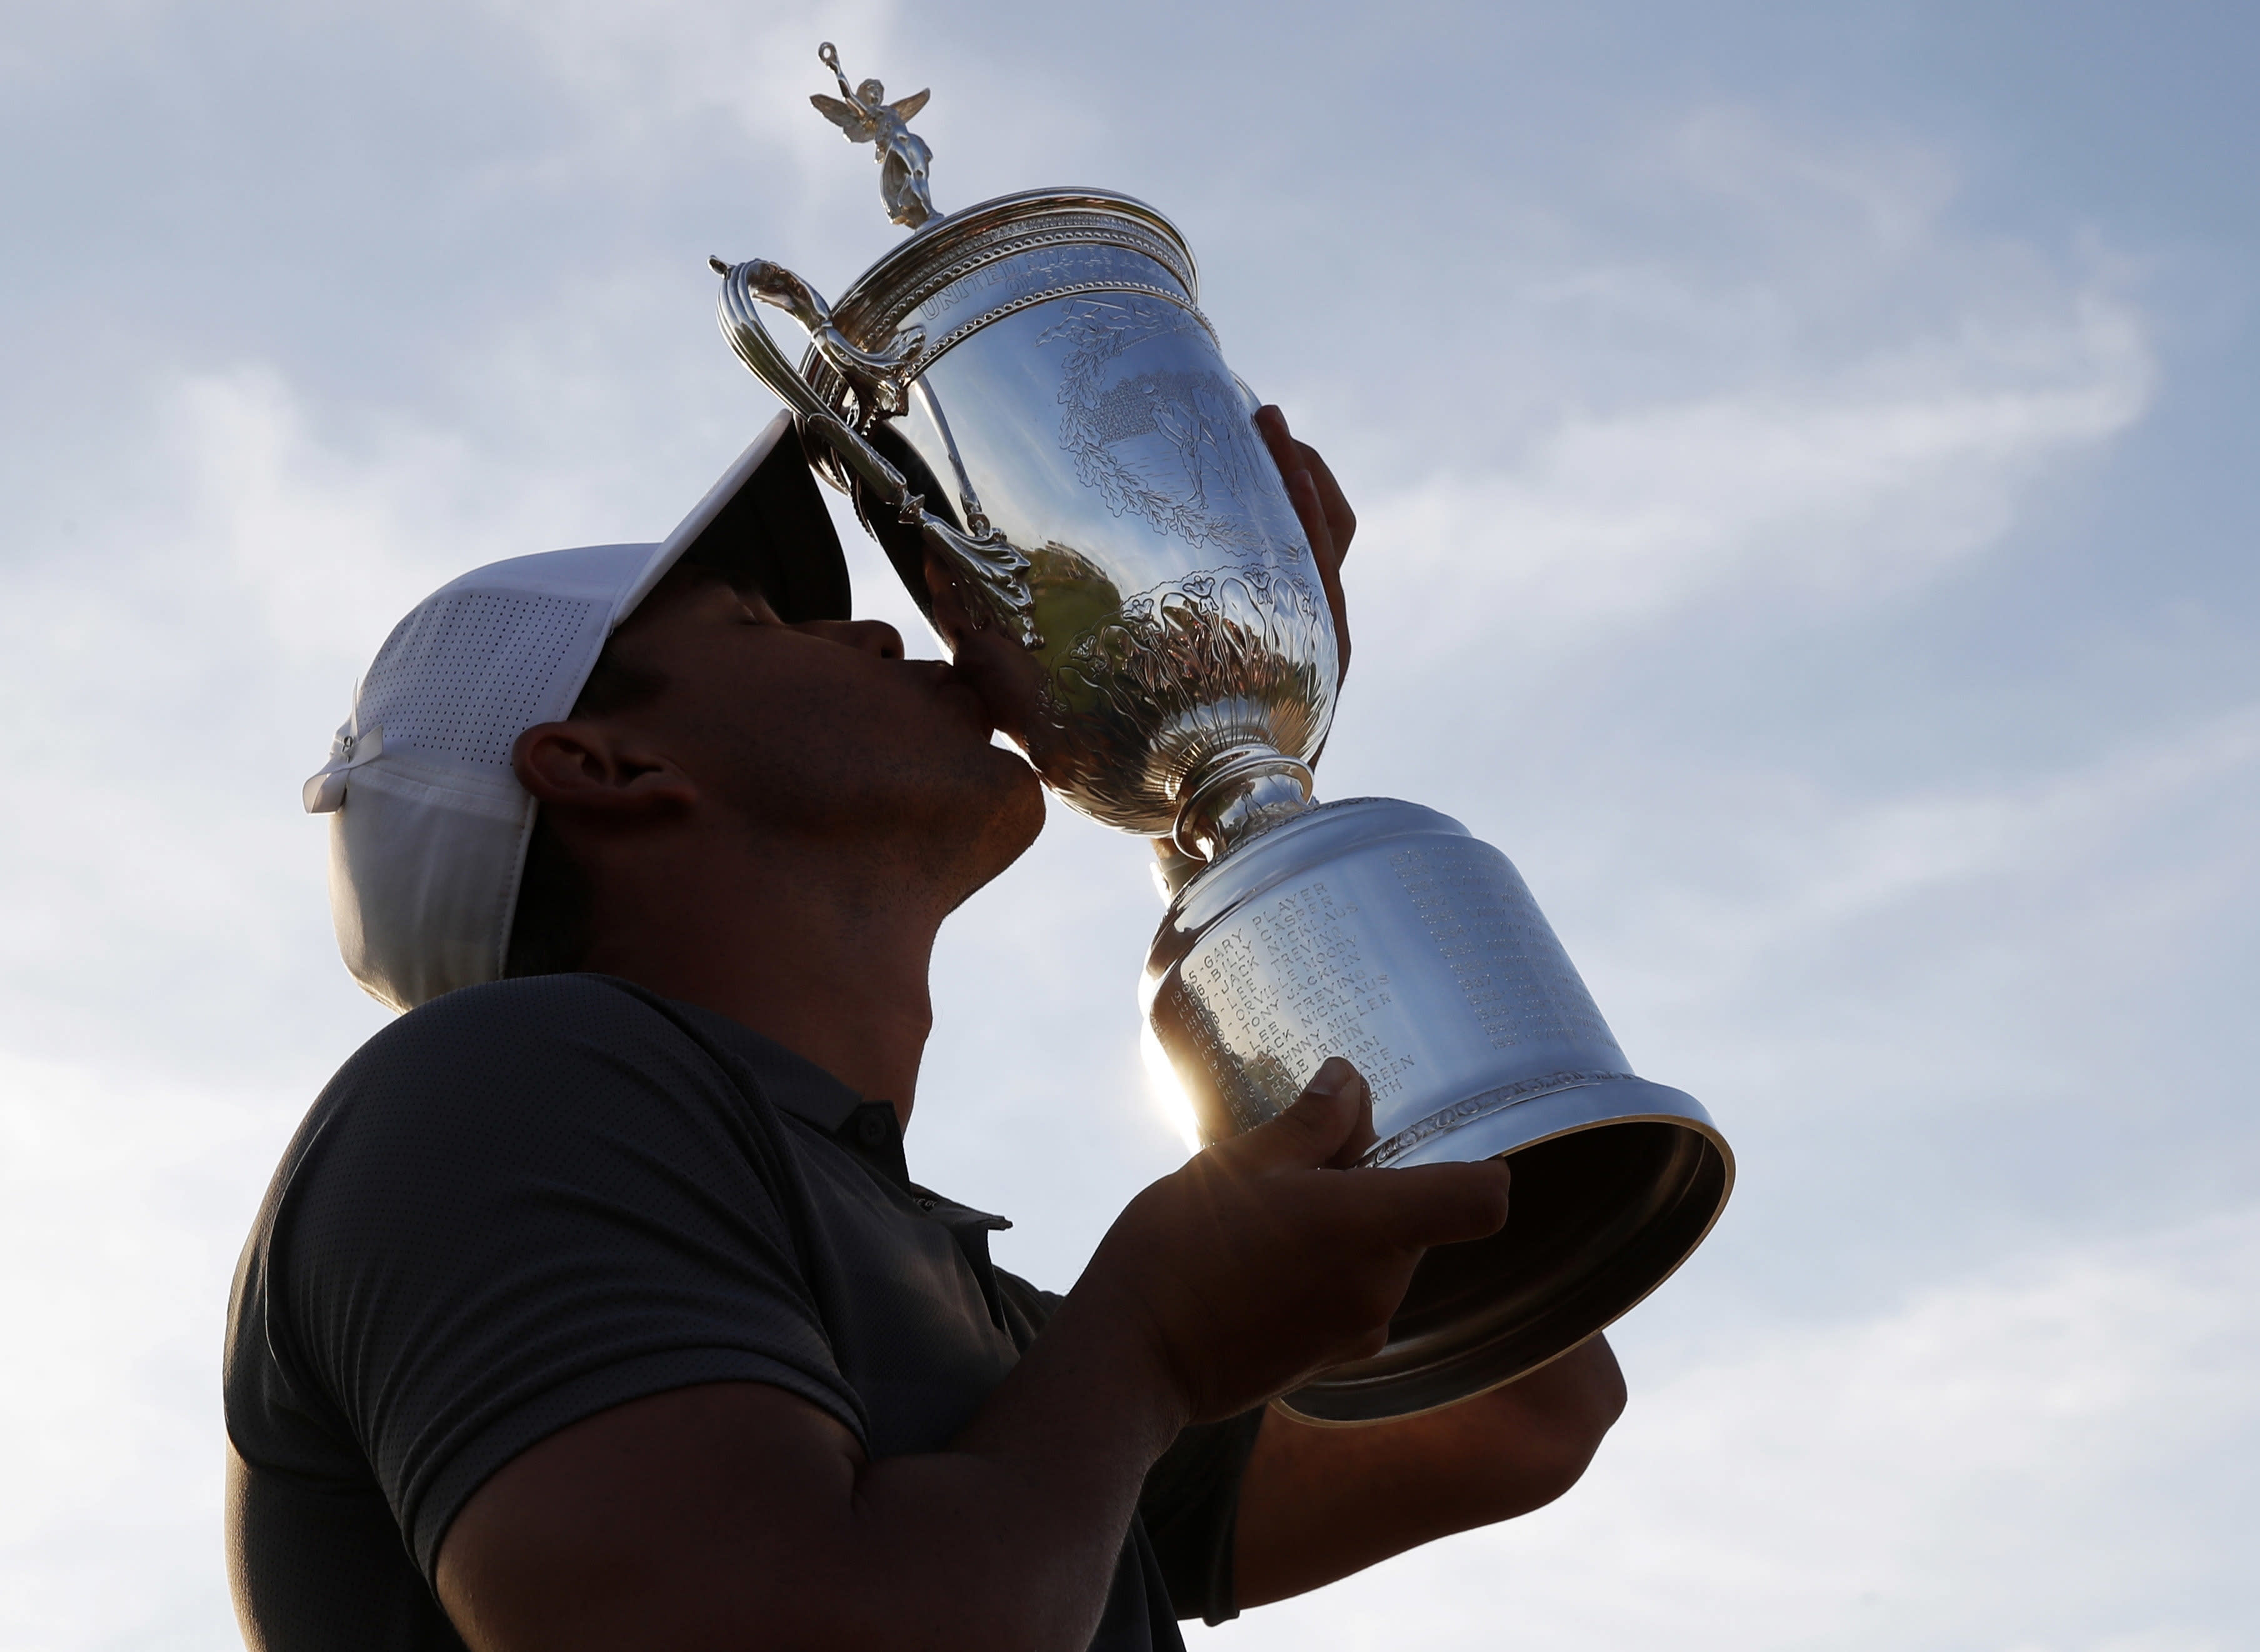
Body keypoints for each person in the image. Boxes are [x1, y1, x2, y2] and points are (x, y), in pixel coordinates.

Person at [224, 406, 1627, 1652]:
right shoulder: (499, 1091)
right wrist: (1145, 1351)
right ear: (605, 765)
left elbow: (1516, 1397)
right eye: (761, 625)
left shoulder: (972, 1320)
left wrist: (1233, 781)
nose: (876, 630)